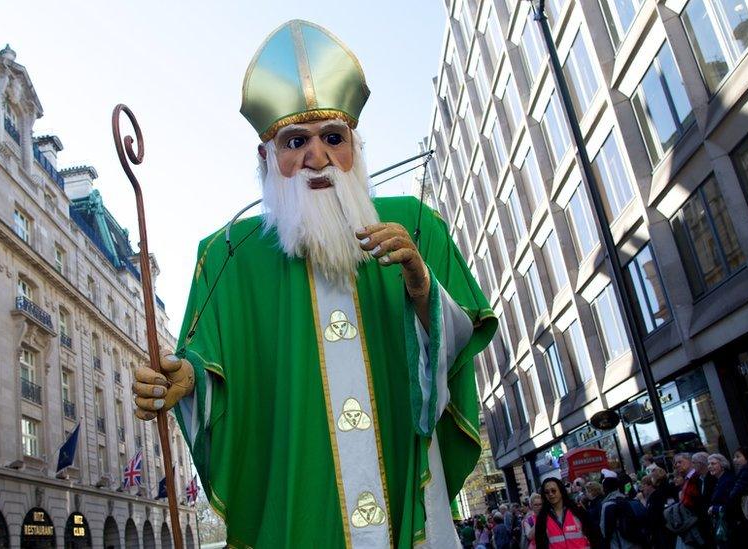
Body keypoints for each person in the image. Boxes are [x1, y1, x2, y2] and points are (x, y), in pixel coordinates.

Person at [131, 19, 496, 548]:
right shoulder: (228, 256)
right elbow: (207, 371)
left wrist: (420, 286)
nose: (317, 157)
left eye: (332, 137)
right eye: (295, 141)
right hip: (296, 499)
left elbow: (458, 350)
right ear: (266, 157)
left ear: (356, 146)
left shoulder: (415, 226)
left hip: (404, 484)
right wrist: (182, 383)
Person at [534, 478, 600, 549]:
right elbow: (540, 545)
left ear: (561, 491)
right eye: (547, 492)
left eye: (553, 491)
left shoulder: (577, 510)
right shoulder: (542, 518)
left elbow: (594, 535)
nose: (550, 494)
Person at [600, 475, 647, 548]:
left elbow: (605, 530)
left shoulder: (607, 505)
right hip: (636, 542)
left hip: (619, 544)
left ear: (605, 489)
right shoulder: (631, 501)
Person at [704, 453, 735, 547]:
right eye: (708, 464)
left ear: (722, 465)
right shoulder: (719, 480)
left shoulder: (728, 480)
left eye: (713, 463)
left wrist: (714, 509)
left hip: (732, 525)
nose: (710, 466)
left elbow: (731, 504)